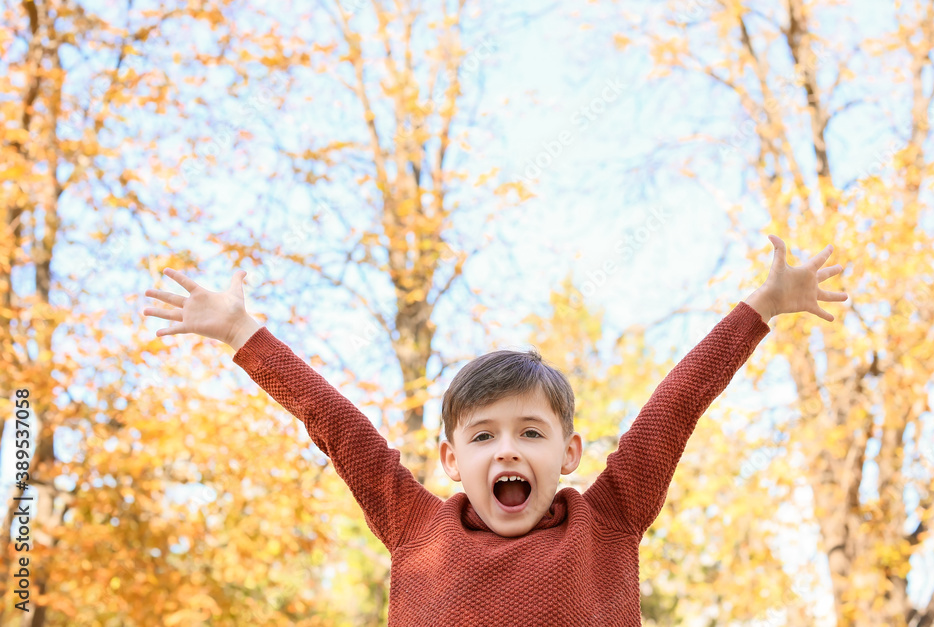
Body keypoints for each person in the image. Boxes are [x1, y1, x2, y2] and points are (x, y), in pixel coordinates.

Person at [142, 234, 848, 626]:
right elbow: (335, 424)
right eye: (483, 436)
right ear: (450, 457)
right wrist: (241, 331)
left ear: (569, 451)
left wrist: (760, 308)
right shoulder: (413, 525)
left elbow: (679, 403)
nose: (507, 447)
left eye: (530, 432)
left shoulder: (611, 518)